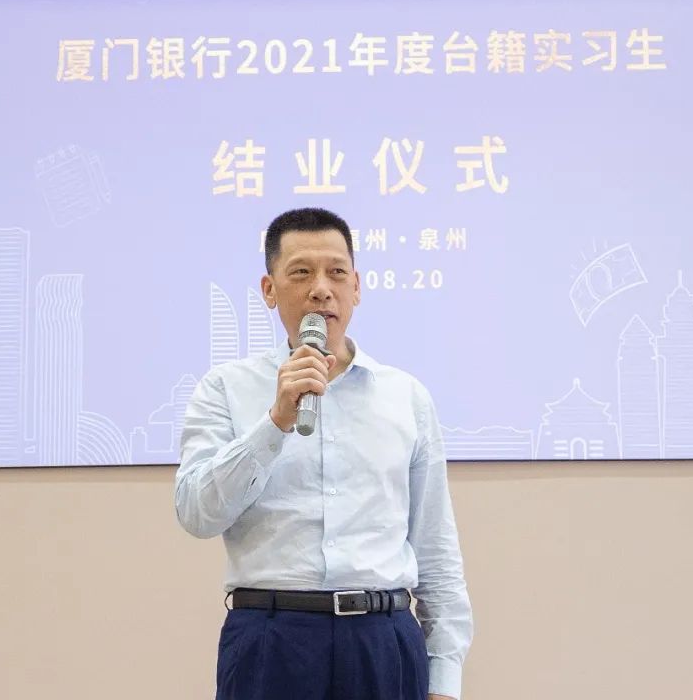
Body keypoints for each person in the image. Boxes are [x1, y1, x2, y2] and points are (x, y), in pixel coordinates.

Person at [176, 207, 473, 700]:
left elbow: (435, 547)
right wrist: (275, 423)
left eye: (336, 272)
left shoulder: (406, 396)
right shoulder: (225, 388)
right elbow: (196, 513)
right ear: (269, 290)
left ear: (356, 287)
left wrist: (444, 676)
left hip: (382, 640)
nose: (321, 289)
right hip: (271, 640)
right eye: (300, 272)